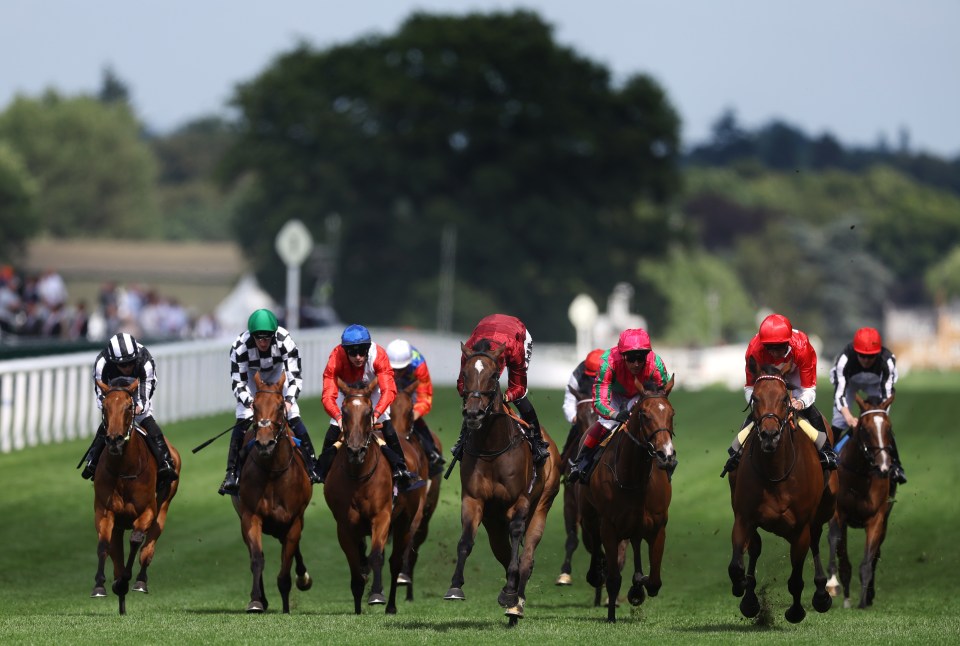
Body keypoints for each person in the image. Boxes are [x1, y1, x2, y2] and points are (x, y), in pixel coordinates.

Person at [218, 309, 321, 495]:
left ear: (274, 335)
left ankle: (312, 465)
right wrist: (251, 403)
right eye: (259, 338)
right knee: (243, 418)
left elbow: (295, 376)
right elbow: (238, 383)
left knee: (294, 415)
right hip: (251, 375)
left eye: (267, 338)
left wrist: (289, 401)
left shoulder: (285, 340)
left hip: (277, 372)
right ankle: (231, 474)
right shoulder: (240, 346)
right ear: (252, 335)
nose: (263, 342)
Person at [721, 313, 838, 477]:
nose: (775, 352)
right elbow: (749, 387)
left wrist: (800, 403)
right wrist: (759, 404)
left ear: (788, 342)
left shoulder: (803, 347)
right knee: (761, 409)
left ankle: (826, 451)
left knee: (807, 411)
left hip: (794, 372)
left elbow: (809, 390)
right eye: (770, 348)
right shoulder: (755, 350)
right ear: (763, 345)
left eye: (779, 347)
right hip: (767, 377)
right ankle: (736, 452)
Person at [315, 324, 423, 492]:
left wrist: (377, 414)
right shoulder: (335, 357)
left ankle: (401, 470)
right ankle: (321, 471)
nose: (358, 357)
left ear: (368, 348)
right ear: (345, 351)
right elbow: (328, 396)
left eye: (362, 351)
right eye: (353, 353)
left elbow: (389, 390)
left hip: (373, 391)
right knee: (334, 427)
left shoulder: (378, 355)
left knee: (385, 423)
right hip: (348, 392)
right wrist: (338, 417)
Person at [568, 330, 672, 483]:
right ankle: (582, 462)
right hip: (614, 395)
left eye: (641, 358)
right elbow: (599, 402)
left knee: (657, 421)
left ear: (647, 355)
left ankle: (668, 456)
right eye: (630, 358)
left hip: (641, 393)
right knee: (607, 423)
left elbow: (662, 395)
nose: (636, 364)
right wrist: (615, 415)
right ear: (622, 355)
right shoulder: (608, 362)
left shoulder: (656, 364)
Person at [79, 332, 178, 485]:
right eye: (123, 365)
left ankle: (165, 461)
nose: (127, 367)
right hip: (112, 392)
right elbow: (100, 393)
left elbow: (148, 387)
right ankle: (92, 461)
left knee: (148, 423)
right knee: (108, 426)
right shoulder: (101, 363)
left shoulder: (145, 361)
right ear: (113, 361)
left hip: (139, 391)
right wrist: (110, 409)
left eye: (131, 362)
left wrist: (139, 407)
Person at [452, 314, 550, 466]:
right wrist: (473, 395)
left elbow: (519, 387)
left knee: (519, 397)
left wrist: (504, 397)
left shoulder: (514, 349)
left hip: (516, 335)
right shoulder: (469, 349)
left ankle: (537, 442)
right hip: (486, 329)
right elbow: (461, 384)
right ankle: (463, 439)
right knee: (472, 395)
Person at [830, 326, 906, 484]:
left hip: (875, 385)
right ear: (855, 352)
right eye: (862, 355)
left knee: (879, 425)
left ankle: (897, 466)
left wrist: (874, 417)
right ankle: (826, 457)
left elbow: (886, 396)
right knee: (840, 421)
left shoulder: (888, 361)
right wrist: (849, 418)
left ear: (878, 353)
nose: (865, 360)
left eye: (870, 356)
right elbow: (840, 393)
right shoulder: (844, 359)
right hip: (849, 384)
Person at [386, 338, 445, 476]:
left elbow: (425, 397)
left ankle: (432, 453)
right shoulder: (380, 362)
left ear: (409, 363)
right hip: (388, 386)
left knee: (405, 413)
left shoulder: (419, 366)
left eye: (400, 369)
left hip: (411, 386)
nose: (397, 373)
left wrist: (412, 415)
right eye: (394, 369)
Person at [560, 348, 604, 461]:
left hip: (607, 411)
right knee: (575, 432)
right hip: (585, 412)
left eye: (595, 376)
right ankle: (564, 462)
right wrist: (573, 417)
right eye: (591, 375)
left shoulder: (616, 373)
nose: (593, 378)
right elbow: (569, 397)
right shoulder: (578, 373)